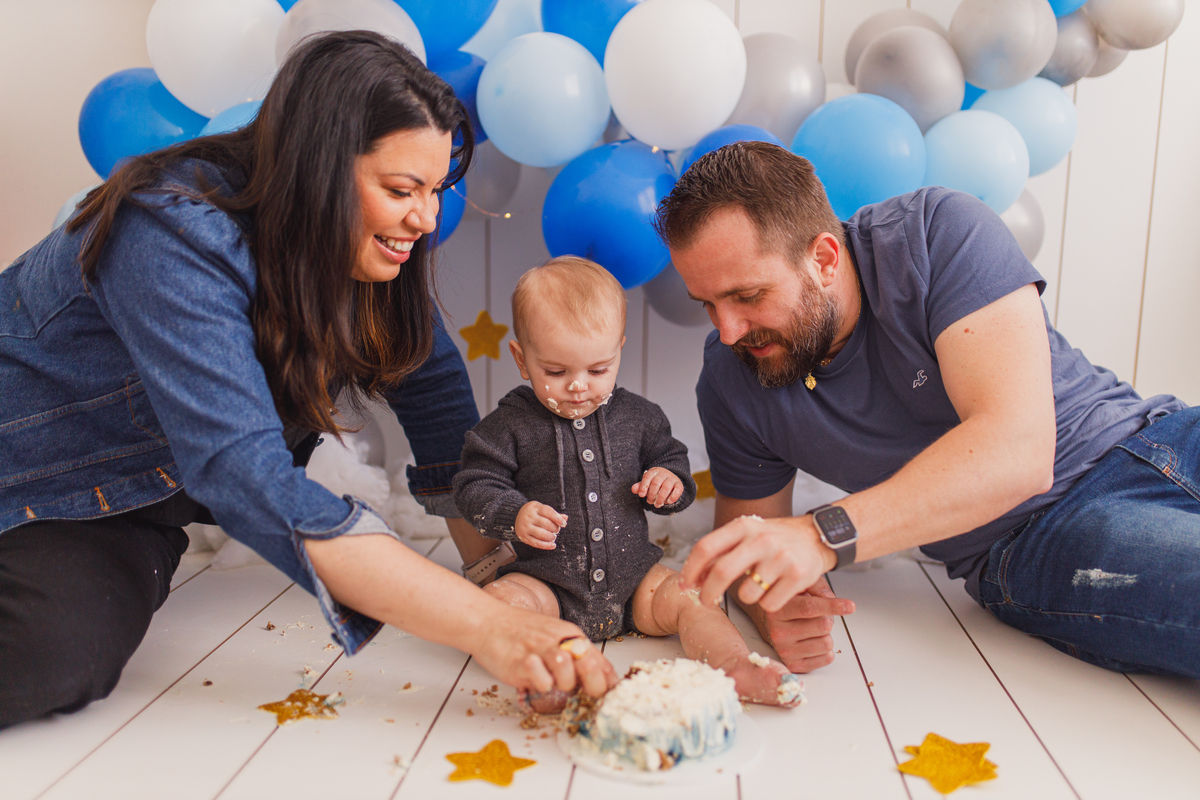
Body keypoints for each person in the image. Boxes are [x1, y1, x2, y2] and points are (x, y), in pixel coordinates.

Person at [0, 31, 614, 729]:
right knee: (45, 657)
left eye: (436, 190)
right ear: (316, 170)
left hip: (130, 505)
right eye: (401, 190)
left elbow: (432, 382)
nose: (425, 218)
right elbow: (242, 470)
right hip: (23, 477)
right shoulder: (168, 230)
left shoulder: (359, 246)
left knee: (68, 649)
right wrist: (489, 627)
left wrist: (498, 576)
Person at [659, 141, 1198, 678]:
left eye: (748, 296)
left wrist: (820, 536)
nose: (727, 331)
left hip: (1166, 433)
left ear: (823, 259)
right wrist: (772, 604)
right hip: (1041, 535)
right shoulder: (731, 379)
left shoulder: (934, 231)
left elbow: (1019, 447)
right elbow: (749, 541)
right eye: (707, 304)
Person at [452, 256, 805, 708]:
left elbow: (671, 460)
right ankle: (552, 674)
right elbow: (473, 484)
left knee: (693, 597)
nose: (578, 386)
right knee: (499, 602)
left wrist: (668, 482)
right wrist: (513, 512)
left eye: (598, 369)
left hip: (637, 583)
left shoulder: (639, 417)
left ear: (618, 350)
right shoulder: (509, 425)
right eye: (556, 372)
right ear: (522, 359)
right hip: (547, 586)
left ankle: (735, 665)